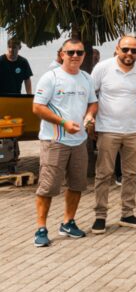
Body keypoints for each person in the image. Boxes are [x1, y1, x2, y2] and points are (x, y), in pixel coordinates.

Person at [31, 38, 97, 247]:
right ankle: (41, 228)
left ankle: (68, 222)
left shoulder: (86, 78)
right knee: (48, 186)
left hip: (79, 141)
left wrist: (89, 117)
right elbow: (38, 108)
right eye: (70, 53)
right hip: (55, 140)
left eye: (79, 53)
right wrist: (63, 122)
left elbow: (93, 103)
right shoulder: (51, 78)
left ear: (84, 55)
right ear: (62, 54)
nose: (75, 56)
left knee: (77, 184)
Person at [90, 36, 136, 234]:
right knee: (103, 174)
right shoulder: (102, 68)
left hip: (134, 130)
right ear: (117, 48)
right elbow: (91, 97)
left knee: (131, 174)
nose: (129, 54)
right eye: (125, 49)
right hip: (107, 129)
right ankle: (100, 216)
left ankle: (127, 213)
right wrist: (90, 122)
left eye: (134, 51)